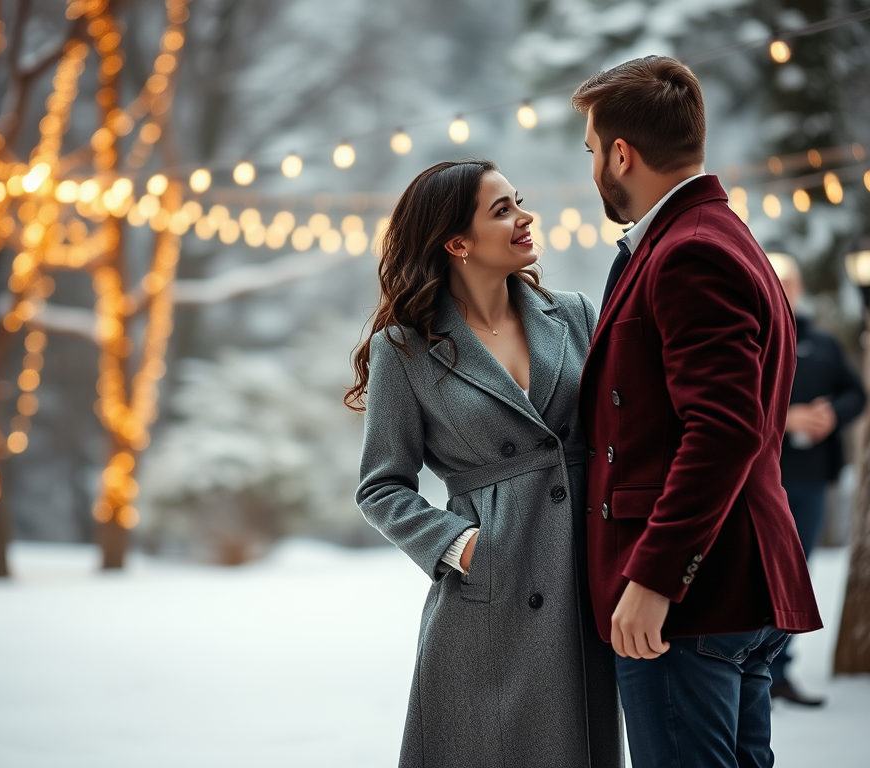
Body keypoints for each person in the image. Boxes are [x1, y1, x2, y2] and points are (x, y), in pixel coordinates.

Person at [571, 56, 823, 768]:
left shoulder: (688, 253)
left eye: (592, 151)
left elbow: (724, 427)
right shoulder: (715, 233)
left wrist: (654, 579)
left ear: (622, 153)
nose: (594, 168)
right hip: (729, 585)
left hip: (692, 599)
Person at [349, 160, 622, 767]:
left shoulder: (573, 313)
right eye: (502, 210)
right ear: (457, 243)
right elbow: (381, 486)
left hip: (583, 576)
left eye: (519, 202)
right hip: (487, 599)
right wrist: (464, 546)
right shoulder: (405, 347)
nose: (525, 218)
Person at [768, 252, 866, 706]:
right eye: (777, 280)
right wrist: (785, 420)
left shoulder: (822, 343)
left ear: (800, 288)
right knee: (764, 573)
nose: (784, 289)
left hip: (811, 480)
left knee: (798, 573)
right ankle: (759, 669)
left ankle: (782, 669)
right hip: (764, 480)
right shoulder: (750, 338)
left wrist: (832, 415)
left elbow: (856, 394)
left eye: (791, 282)